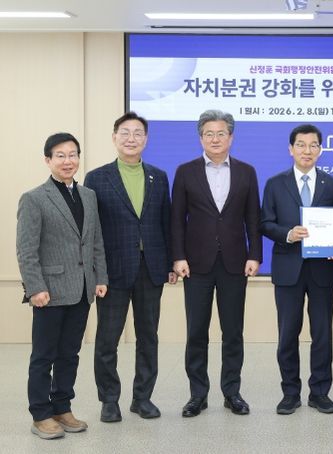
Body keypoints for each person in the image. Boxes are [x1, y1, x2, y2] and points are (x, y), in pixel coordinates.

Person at [84, 112, 176, 423]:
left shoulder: (158, 177)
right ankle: (109, 400)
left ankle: (142, 398)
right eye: (125, 132)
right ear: (114, 138)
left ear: (146, 140)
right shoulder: (97, 178)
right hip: (113, 271)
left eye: (138, 133)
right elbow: (91, 230)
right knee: (107, 339)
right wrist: (96, 271)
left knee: (148, 337)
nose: (131, 138)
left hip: (151, 269)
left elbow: (166, 222)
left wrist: (170, 262)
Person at [171, 109, 262, 417]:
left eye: (220, 133)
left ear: (231, 137)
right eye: (208, 134)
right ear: (201, 138)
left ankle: (232, 392)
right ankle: (197, 395)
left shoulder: (247, 172)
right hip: (195, 264)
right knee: (196, 332)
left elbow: (253, 217)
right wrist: (178, 256)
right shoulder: (185, 171)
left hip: (235, 263)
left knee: (233, 332)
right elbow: (176, 219)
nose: (215, 139)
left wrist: (255, 254)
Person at [17, 133, 108, 439]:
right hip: (49, 292)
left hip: (81, 289)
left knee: (70, 354)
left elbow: (95, 241)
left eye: (73, 155)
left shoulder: (88, 196)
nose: (68, 161)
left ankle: (62, 407)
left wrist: (100, 278)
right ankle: (41, 414)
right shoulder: (34, 198)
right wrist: (35, 288)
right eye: (60, 155)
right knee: (44, 356)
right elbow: (26, 250)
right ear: (48, 160)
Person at [261, 124, 333, 415]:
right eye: (301, 144)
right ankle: (290, 393)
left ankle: (320, 393)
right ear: (290, 149)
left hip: (323, 270)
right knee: (287, 334)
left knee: (322, 334)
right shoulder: (275, 183)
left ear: (320, 149)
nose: (307, 150)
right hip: (288, 269)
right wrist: (287, 234)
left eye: (313, 145)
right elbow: (265, 223)